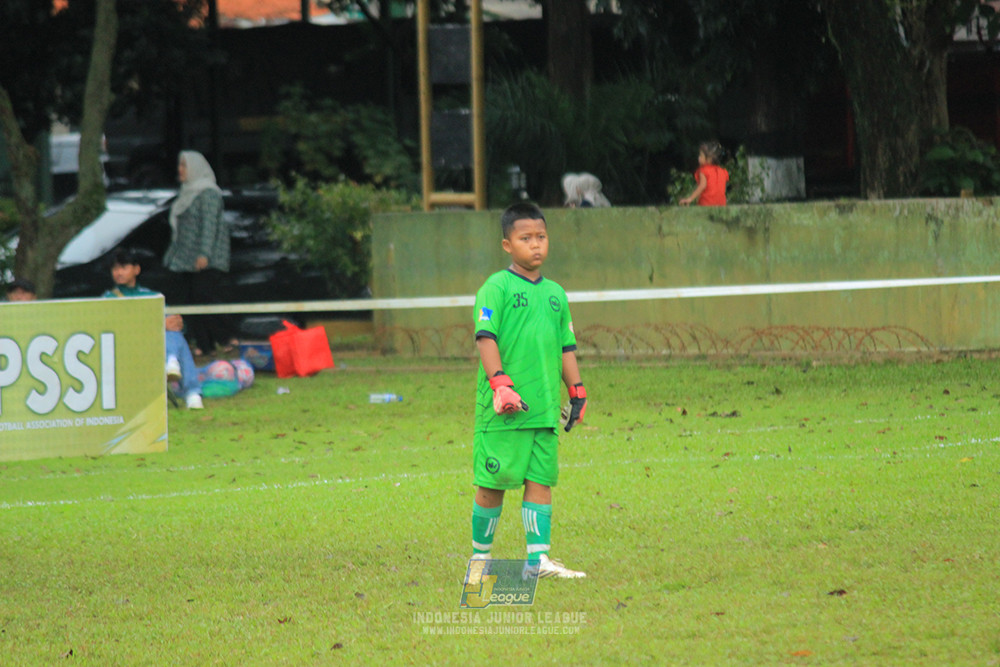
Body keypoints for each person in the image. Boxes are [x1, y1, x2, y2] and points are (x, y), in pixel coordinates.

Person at [467, 202, 589, 581]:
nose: (535, 245)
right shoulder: (496, 288)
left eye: (541, 237)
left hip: (544, 410)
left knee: (541, 480)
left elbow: (566, 346)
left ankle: (538, 561)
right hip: (504, 410)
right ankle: (480, 560)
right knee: (492, 485)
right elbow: (485, 338)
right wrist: (500, 382)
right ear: (507, 245)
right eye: (525, 238)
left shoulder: (555, 294)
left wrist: (577, 389)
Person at [102, 247, 204, 410]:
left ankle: (173, 364)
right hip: (127, 347)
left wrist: (177, 324)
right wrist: (159, 325)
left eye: (123, 267)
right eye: (115, 268)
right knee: (168, 330)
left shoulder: (152, 296)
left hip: (155, 346)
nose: (118, 272)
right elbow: (116, 327)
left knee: (174, 332)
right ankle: (190, 390)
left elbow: (174, 325)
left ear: (136, 269)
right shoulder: (109, 298)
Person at [162, 150, 237, 356]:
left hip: (207, 259)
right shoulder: (186, 192)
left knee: (205, 295)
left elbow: (209, 225)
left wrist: (204, 254)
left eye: (184, 165)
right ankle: (204, 345)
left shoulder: (208, 193)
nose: (180, 170)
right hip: (186, 258)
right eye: (180, 165)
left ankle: (227, 336)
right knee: (190, 300)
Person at [679, 141, 729, 206]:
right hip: (721, 204)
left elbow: (702, 186)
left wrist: (690, 199)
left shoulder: (703, 171)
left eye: (701, 156)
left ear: (709, 159)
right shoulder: (722, 171)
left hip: (706, 202)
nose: (698, 158)